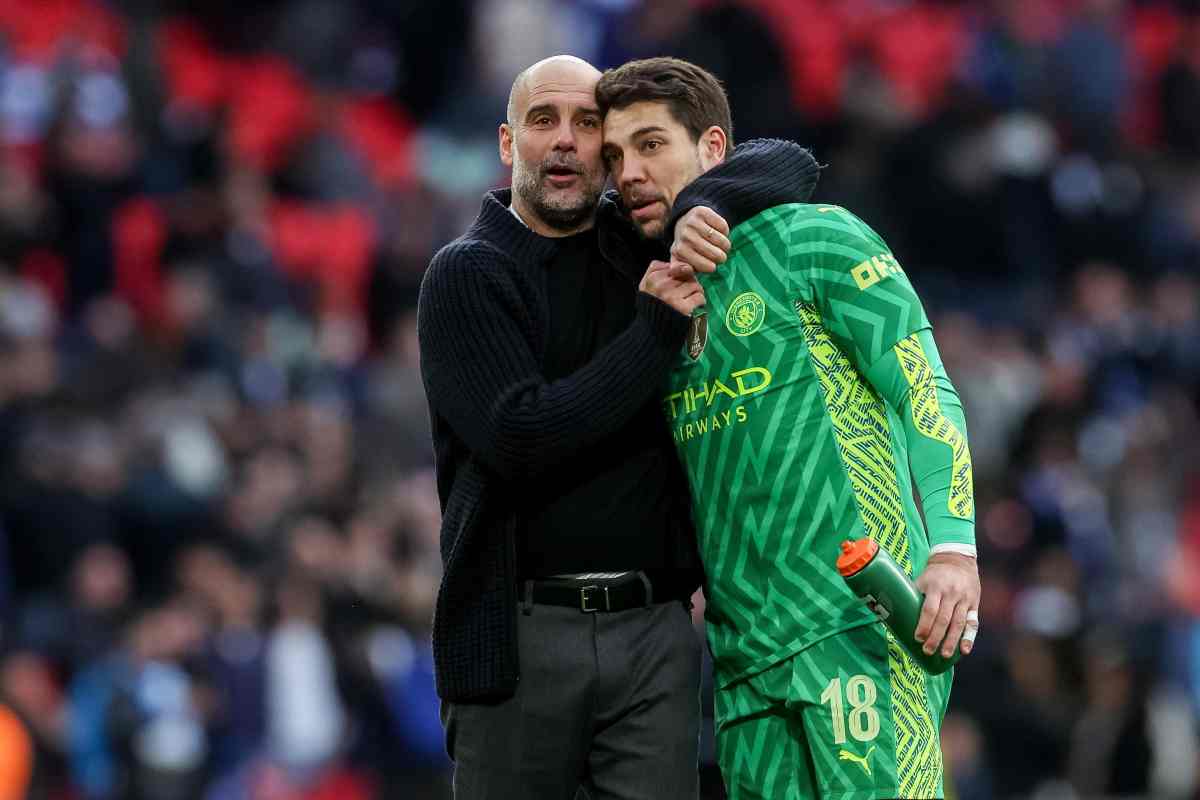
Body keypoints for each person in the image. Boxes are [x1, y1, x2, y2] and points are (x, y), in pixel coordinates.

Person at [416, 54, 813, 799]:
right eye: (543, 121)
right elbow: (520, 438)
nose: (566, 141)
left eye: (587, 122)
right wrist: (654, 331)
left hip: (654, 637)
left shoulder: (638, 241)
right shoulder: (467, 273)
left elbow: (787, 163)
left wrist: (708, 206)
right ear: (508, 146)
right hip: (518, 639)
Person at [596, 57, 982, 800]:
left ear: (713, 150)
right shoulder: (653, 307)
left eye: (650, 145)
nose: (629, 173)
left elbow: (925, 390)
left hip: (858, 626)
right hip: (745, 663)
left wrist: (955, 549)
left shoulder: (814, 240)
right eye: (614, 157)